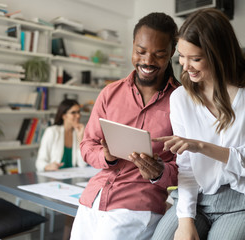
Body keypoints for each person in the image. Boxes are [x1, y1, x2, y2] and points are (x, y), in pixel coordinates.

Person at [153, 8, 245, 240]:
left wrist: (201, 147)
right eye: (182, 56)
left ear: (218, 54)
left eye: (196, 59)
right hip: (199, 201)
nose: (186, 66)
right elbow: (187, 168)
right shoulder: (181, 98)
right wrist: (185, 221)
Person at [70, 12, 180, 240]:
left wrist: (159, 172)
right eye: (140, 52)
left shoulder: (182, 101)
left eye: (159, 55)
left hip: (137, 206)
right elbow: (87, 145)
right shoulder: (110, 93)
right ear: (132, 46)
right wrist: (106, 156)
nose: (147, 61)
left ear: (172, 52)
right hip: (93, 198)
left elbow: (190, 168)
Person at [36, 98, 87, 172]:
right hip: (53, 178)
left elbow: (82, 164)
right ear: (64, 116)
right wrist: (48, 166)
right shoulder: (52, 132)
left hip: (72, 177)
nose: (78, 116)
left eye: (79, 112)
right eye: (73, 113)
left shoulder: (78, 132)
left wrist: (80, 139)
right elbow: (39, 162)